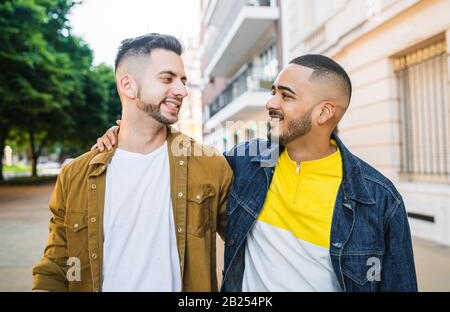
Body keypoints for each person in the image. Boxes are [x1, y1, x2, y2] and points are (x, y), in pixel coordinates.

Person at [95, 55, 418, 292]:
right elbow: (176, 156)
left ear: (324, 112)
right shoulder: (243, 163)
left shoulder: (378, 199)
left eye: (285, 95)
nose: (270, 102)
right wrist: (120, 135)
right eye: (273, 91)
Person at [32, 33, 232, 292]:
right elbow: (58, 264)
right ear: (128, 85)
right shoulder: (75, 175)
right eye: (167, 78)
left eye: (183, 81)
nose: (182, 91)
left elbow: (248, 245)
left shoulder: (210, 166)